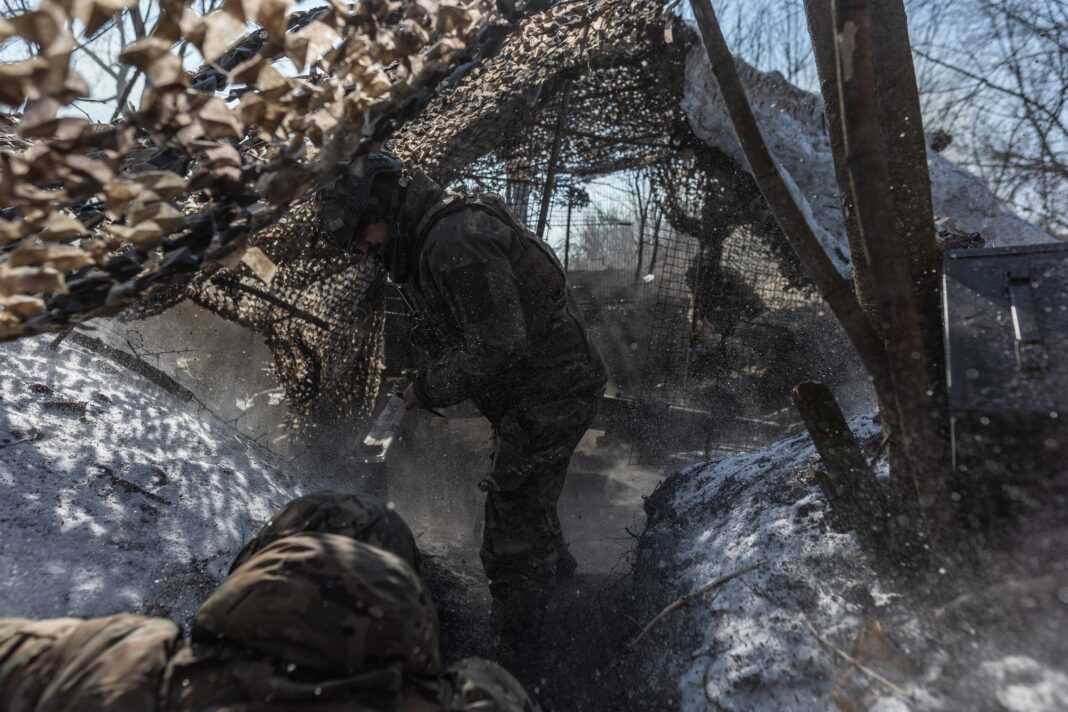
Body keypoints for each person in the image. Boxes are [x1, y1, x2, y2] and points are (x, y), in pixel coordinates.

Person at [326, 153, 607, 657]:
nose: (362, 247)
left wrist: (429, 388)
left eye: (362, 233)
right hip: (537, 390)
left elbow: (498, 345)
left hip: (551, 393)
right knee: (525, 502)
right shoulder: (436, 235)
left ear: (383, 210)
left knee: (509, 538)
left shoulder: (454, 242)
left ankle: (520, 656)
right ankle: (568, 603)